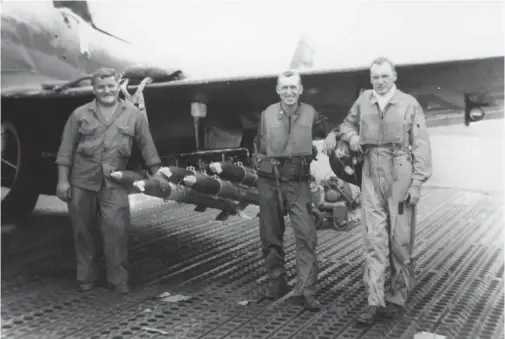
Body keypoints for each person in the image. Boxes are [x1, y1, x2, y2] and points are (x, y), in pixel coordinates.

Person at [339, 57, 432, 324]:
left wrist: (416, 184)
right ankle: (373, 302)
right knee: (373, 239)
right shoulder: (363, 101)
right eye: (375, 77)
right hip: (370, 170)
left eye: (384, 76)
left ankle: (397, 299)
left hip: (400, 171)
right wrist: (352, 136)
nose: (380, 82)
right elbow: (346, 125)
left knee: (400, 241)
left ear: (394, 76)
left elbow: (422, 146)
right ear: (371, 80)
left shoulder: (408, 103)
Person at [55, 67, 162, 294]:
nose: (107, 91)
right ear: (94, 89)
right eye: (101, 87)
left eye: (111, 86)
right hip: (82, 181)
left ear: (118, 85)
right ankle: (86, 277)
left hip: (114, 182)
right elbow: (65, 151)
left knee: (116, 230)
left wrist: (159, 176)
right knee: (82, 231)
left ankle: (118, 279)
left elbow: (148, 148)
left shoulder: (134, 115)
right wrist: (63, 182)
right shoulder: (79, 115)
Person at [254, 70, 338, 311]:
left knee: (306, 235)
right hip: (269, 181)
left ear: (300, 90)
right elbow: (258, 145)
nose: (289, 92)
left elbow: (330, 128)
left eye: (293, 87)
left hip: (298, 182)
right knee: (270, 235)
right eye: (285, 88)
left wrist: (332, 134)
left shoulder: (311, 113)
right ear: (278, 90)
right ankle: (276, 281)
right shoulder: (266, 114)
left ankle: (306, 289)